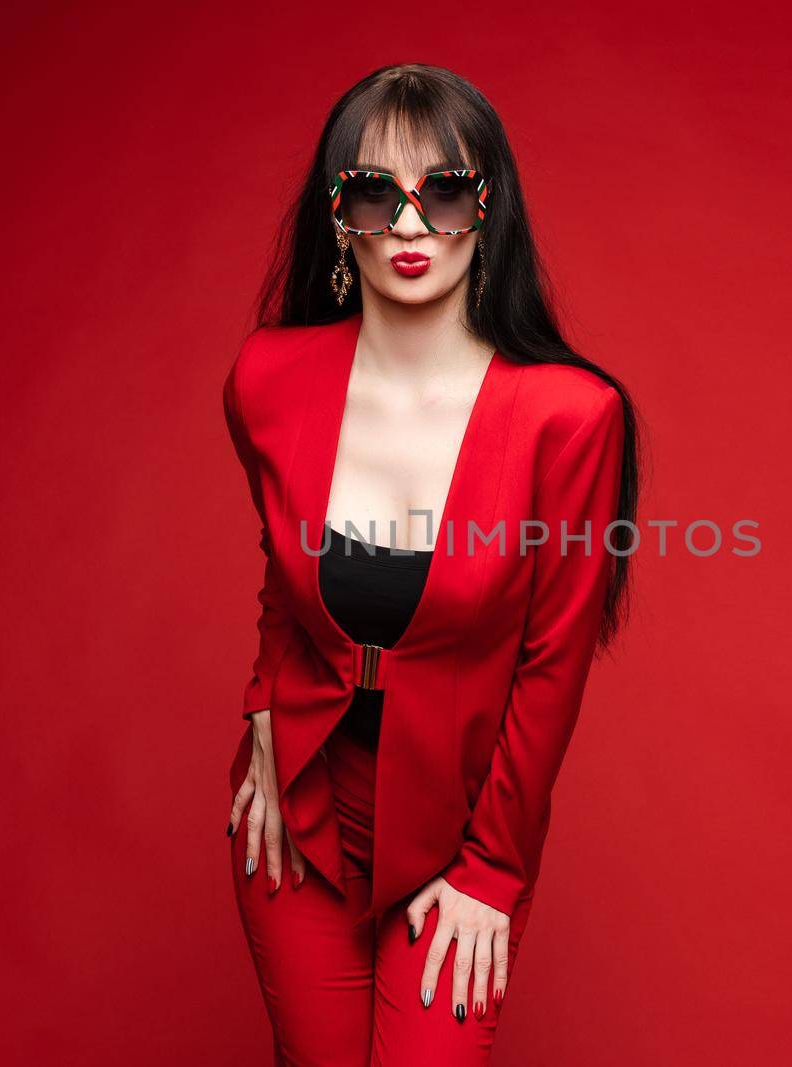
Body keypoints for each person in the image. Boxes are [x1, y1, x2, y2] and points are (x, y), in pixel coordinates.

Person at [220, 62, 640, 1065]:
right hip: (305, 808)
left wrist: (493, 869)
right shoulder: (266, 379)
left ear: (486, 210)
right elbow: (286, 572)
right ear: (339, 216)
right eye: (375, 191)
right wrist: (266, 710)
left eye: (443, 190)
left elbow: (552, 664)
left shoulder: (570, 417)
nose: (409, 224)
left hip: (458, 823)